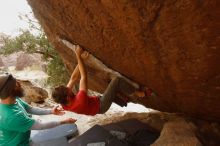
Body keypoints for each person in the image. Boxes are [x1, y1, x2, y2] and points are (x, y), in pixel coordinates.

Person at [52, 45, 147, 116]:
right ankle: (137, 92)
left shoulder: (64, 102)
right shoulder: (79, 101)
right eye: (68, 90)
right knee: (117, 81)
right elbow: (83, 76)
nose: (70, 88)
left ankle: (123, 100)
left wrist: (82, 60)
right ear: (67, 97)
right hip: (101, 106)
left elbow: (73, 78)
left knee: (112, 92)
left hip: (95, 101)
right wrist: (78, 55)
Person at [0, 73, 76, 146]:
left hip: (17, 139)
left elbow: (30, 109)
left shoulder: (12, 100)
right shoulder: (13, 117)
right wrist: (64, 122)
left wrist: (51, 111)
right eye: (16, 83)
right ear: (9, 91)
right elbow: (41, 126)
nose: (19, 83)